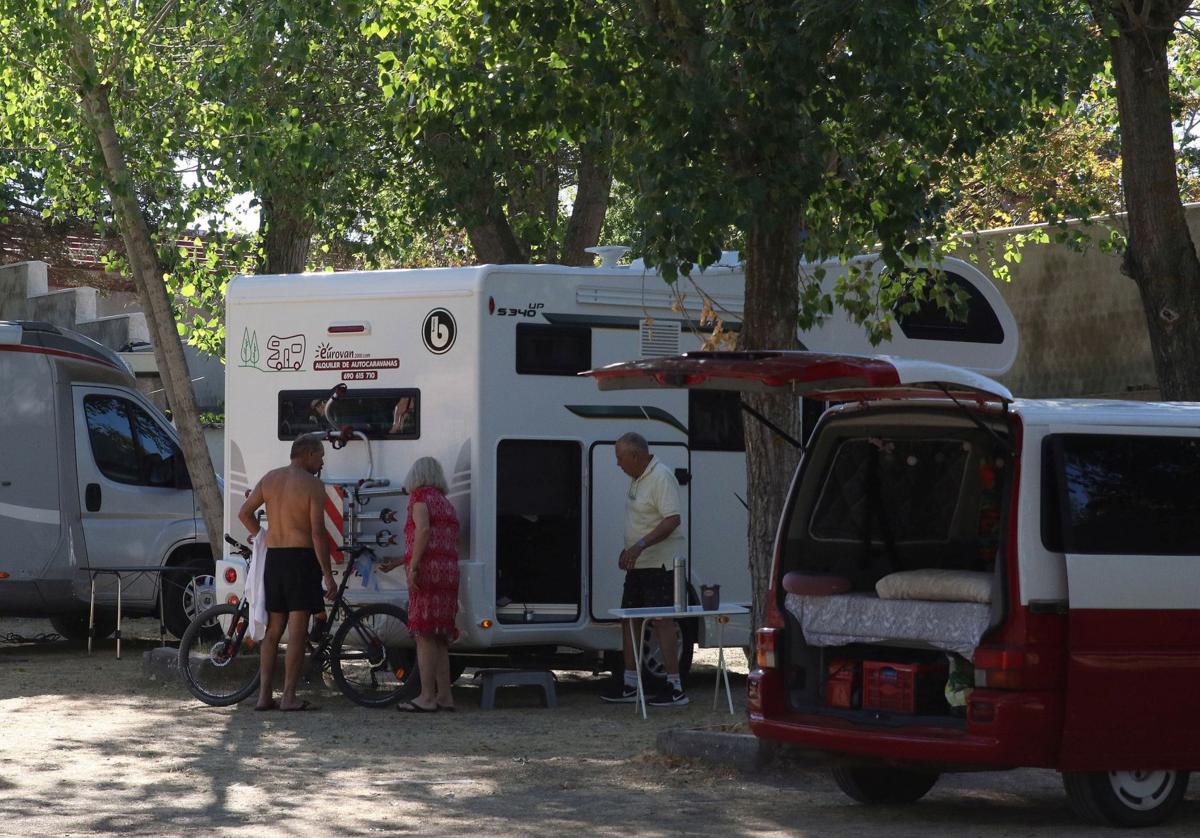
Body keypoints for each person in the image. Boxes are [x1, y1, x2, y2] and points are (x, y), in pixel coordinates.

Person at [238, 435, 336, 712]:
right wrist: (328, 574)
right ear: (306, 454)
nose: (322, 461)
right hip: (301, 559)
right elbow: (318, 533)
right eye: (319, 455)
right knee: (296, 631)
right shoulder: (313, 485)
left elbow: (244, 513)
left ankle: (263, 696)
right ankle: (290, 696)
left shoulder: (270, 479)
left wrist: (263, 537)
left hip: (275, 559)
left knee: (273, 630)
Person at [602, 431, 689, 707]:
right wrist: (628, 549)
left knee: (662, 621)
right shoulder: (637, 479)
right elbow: (640, 519)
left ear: (635, 455)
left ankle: (675, 687)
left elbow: (672, 519)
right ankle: (630, 683)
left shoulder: (661, 476)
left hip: (660, 564)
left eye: (619, 457)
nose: (618, 464)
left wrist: (639, 545)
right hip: (639, 565)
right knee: (629, 619)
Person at [380, 456, 460, 712]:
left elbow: (423, 531)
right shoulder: (445, 502)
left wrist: (413, 566)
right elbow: (435, 538)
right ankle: (445, 696)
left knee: (423, 635)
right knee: (439, 637)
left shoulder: (419, 498)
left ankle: (426, 697)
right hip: (448, 572)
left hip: (428, 572)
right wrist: (397, 562)